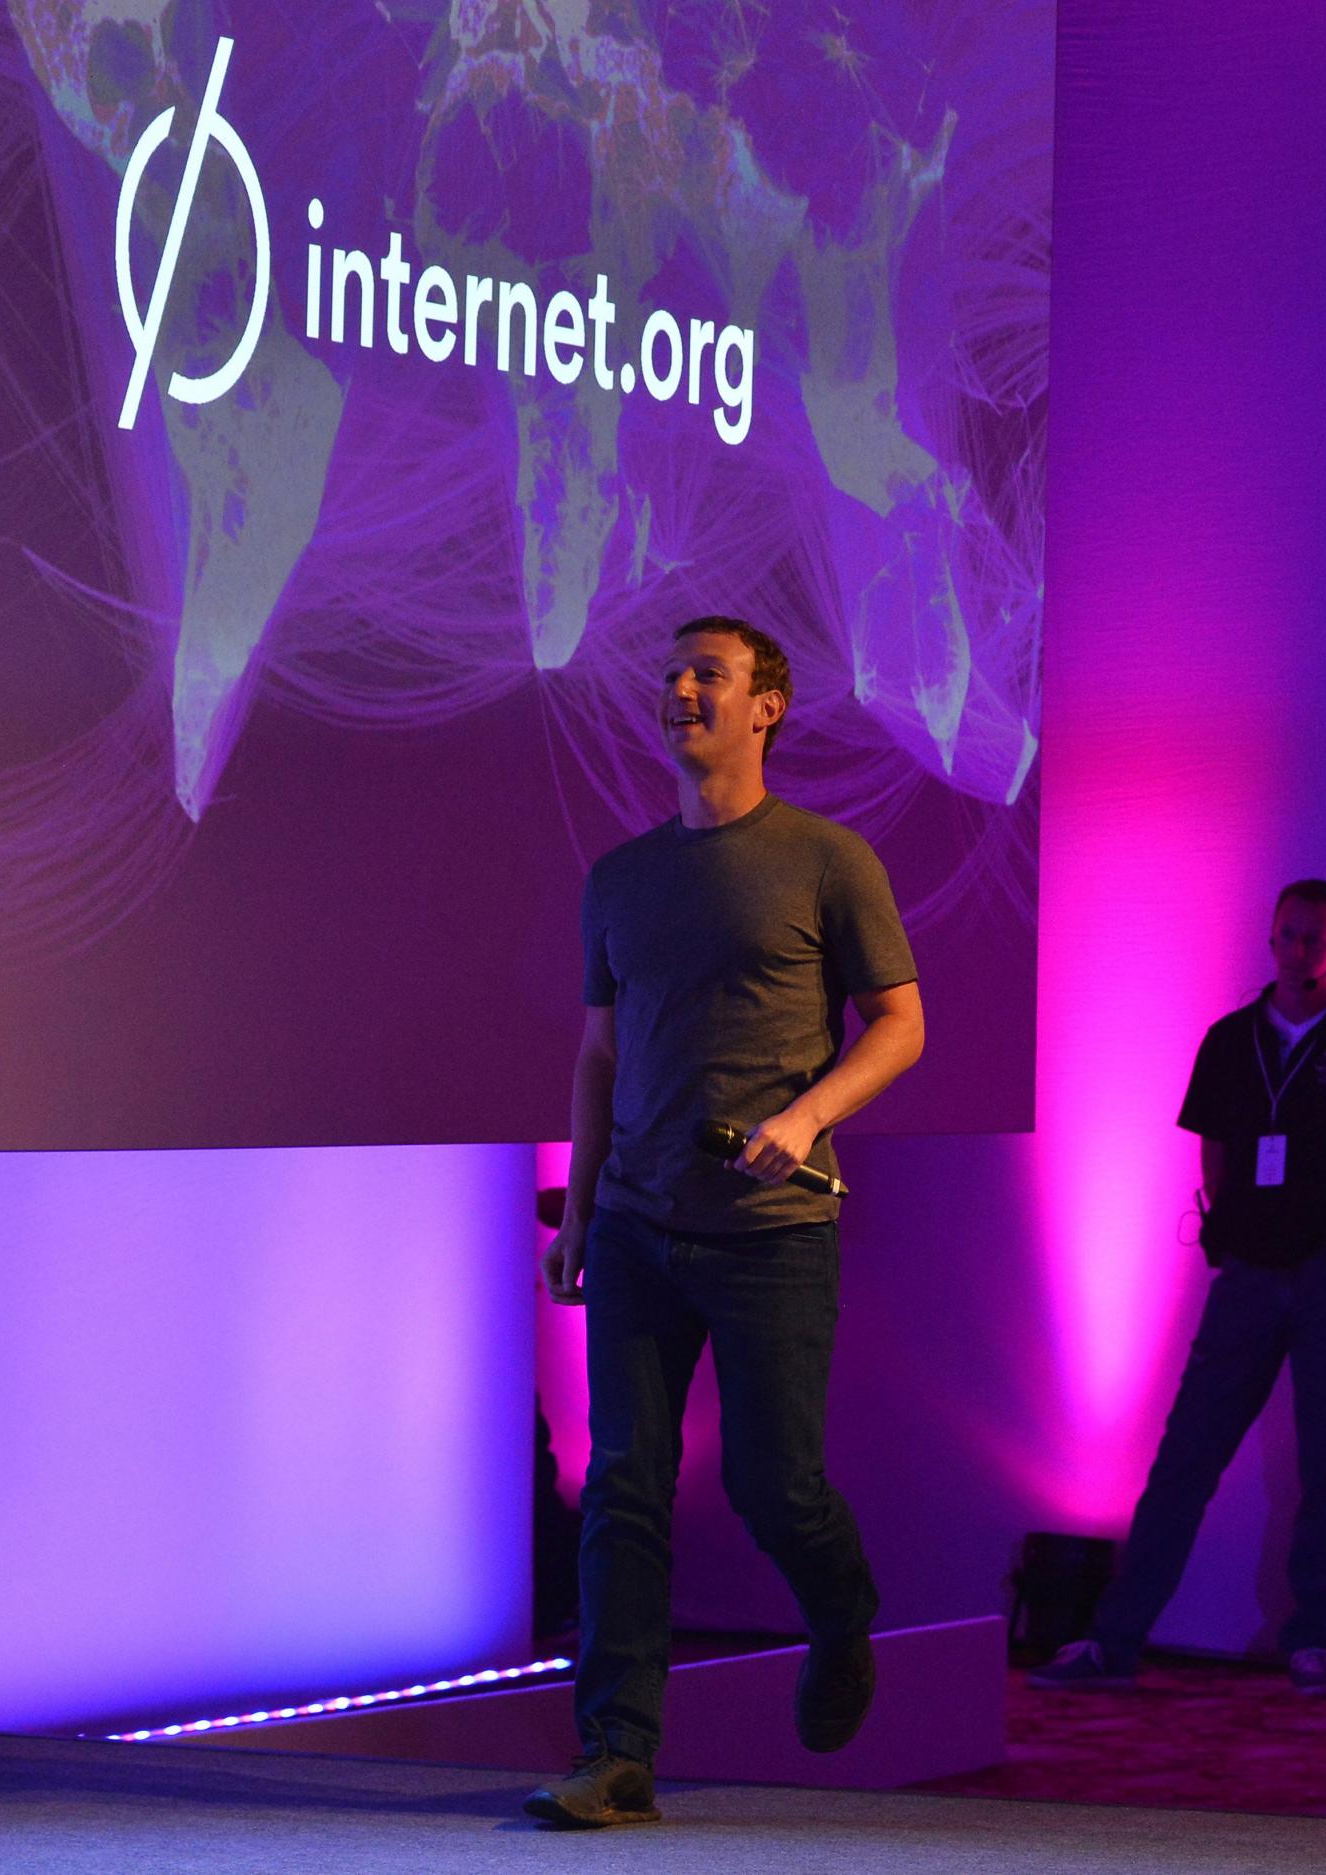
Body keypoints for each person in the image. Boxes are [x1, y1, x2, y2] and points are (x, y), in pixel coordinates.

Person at [525, 616, 924, 1829]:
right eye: (673, 676)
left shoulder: (826, 859)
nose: (682, 689)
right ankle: (617, 1752)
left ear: (768, 708)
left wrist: (804, 1120)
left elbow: (901, 1026)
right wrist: (583, 1209)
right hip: (641, 1225)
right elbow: (599, 1056)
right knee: (626, 1489)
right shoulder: (622, 877)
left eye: (711, 674)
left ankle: (841, 1617)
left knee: (771, 1486)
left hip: (773, 1230)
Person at [1030, 881, 1326, 1696]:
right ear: (1270, 940)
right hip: (1246, 1270)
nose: (1300, 950)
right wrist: (1225, 1224)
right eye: (1288, 935)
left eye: (1316, 938)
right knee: (1185, 1456)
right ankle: (1117, 1639)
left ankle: (1313, 1638)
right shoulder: (1229, 1040)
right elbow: (1211, 1146)